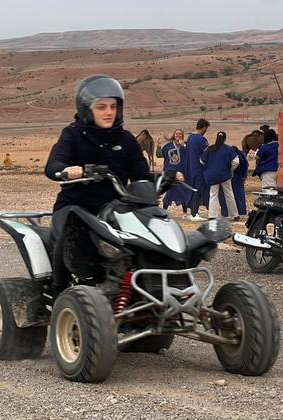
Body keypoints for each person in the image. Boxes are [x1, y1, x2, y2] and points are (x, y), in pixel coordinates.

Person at [45, 74, 152, 297]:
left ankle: (146, 289)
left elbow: (142, 175)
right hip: (75, 207)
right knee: (69, 233)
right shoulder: (72, 135)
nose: (109, 112)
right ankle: (58, 291)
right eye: (101, 107)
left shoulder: (126, 140)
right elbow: (53, 165)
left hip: (116, 209)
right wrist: (68, 171)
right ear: (87, 109)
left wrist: (165, 179)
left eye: (113, 106)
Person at [200, 131, 239, 220]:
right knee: (229, 194)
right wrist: (231, 169)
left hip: (212, 176)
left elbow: (201, 161)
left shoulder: (210, 149)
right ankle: (234, 214)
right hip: (225, 175)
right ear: (225, 139)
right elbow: (236, 161)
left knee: (213, 195)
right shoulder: (228, 149)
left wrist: (209, 167)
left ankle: (212, 215)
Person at [158, 129, 191, 218]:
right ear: (174, 135)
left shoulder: (185, 146)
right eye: (176, 133)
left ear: (182, 136)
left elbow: (189, 155)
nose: (178, 135)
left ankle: (185, 213)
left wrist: (183, 145)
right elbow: (159, 155)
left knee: (183, 192)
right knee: (169, 192)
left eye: (180, 134)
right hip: (170, 173)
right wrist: (159, 145)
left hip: (181, 173)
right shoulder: (168, 146)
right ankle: (164, 211)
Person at [186, 119, 211, 221]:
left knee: (193, 189)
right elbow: (207, 154)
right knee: (198, 190)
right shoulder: (202, 140)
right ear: (204, 128)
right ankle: (194, 213)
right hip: (200, 169)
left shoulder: (190, 138)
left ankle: (192, 212)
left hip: (191, 168)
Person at [220, 145, 248, 219]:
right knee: (239, 195)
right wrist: (244, 176)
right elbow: (245, 166)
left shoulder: (226, 154)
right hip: (238, 177)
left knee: (227, 195)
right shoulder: (241, 154)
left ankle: (226, 213)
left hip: (228, 177)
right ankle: (241, 212)